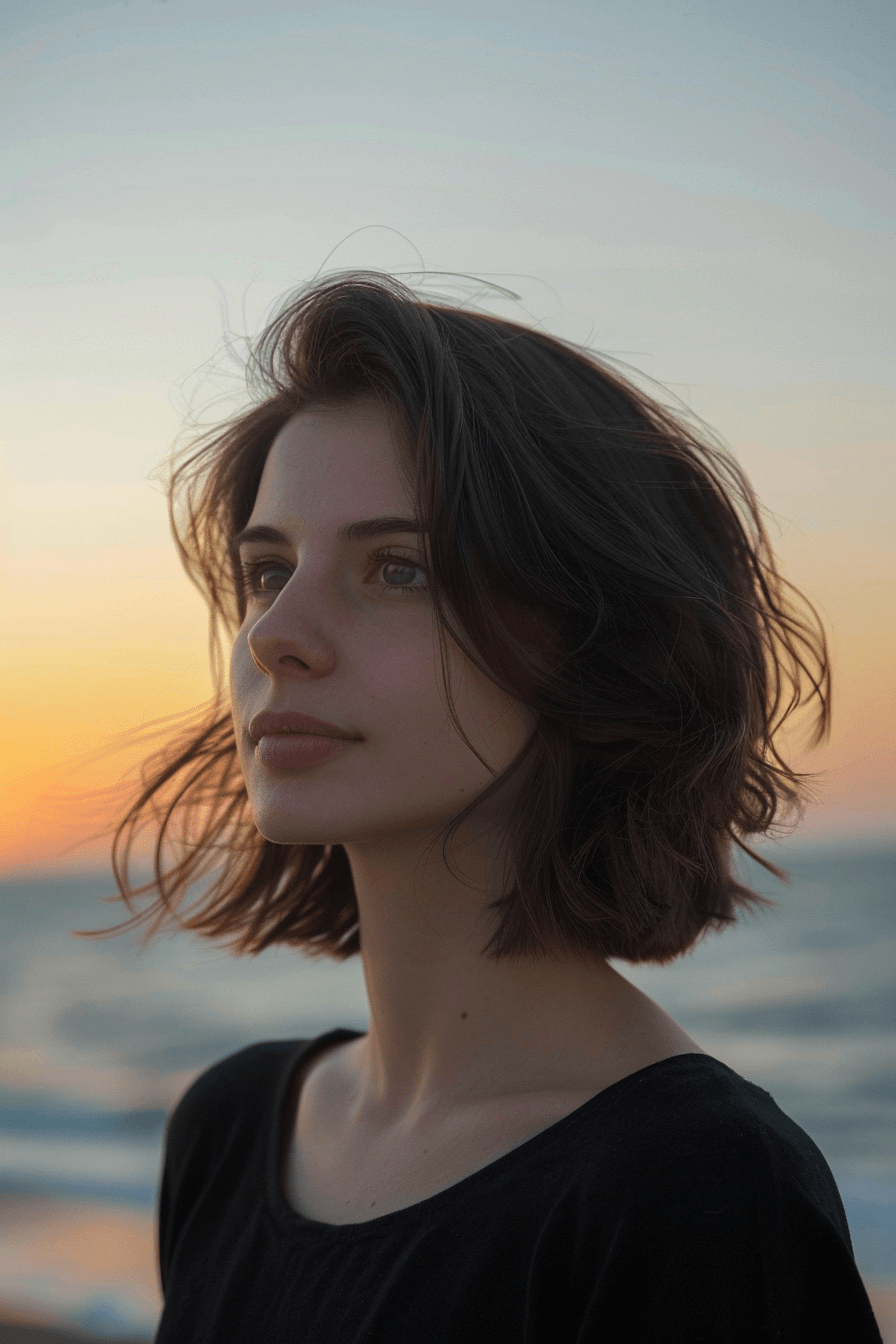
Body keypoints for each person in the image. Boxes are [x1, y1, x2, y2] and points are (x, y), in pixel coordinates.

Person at [102, 272, 882, 1341]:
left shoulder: (690, 1192)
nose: (278, 633)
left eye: (398, 570)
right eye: (267, 569)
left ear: (586, 634)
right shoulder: (231, 1126)